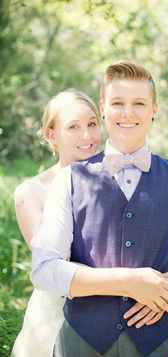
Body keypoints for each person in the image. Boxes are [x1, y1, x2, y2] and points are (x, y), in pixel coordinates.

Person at [31, 61, 168, 357]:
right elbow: (44, 269)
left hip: (166, 343)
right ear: (102, 108)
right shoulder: (71, 179)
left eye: (139, 103)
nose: (127, 113)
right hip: (81, 344)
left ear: (154, 108)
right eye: (118, 103)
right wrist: (130, 281)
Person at [11, 90, 101, 356]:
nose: (87, 136)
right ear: (52, 135)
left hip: (115, 313)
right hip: (56, 317)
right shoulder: (30, 193)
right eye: (73, 126)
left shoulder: (120, 176)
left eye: (92, 124)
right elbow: (52, 265)